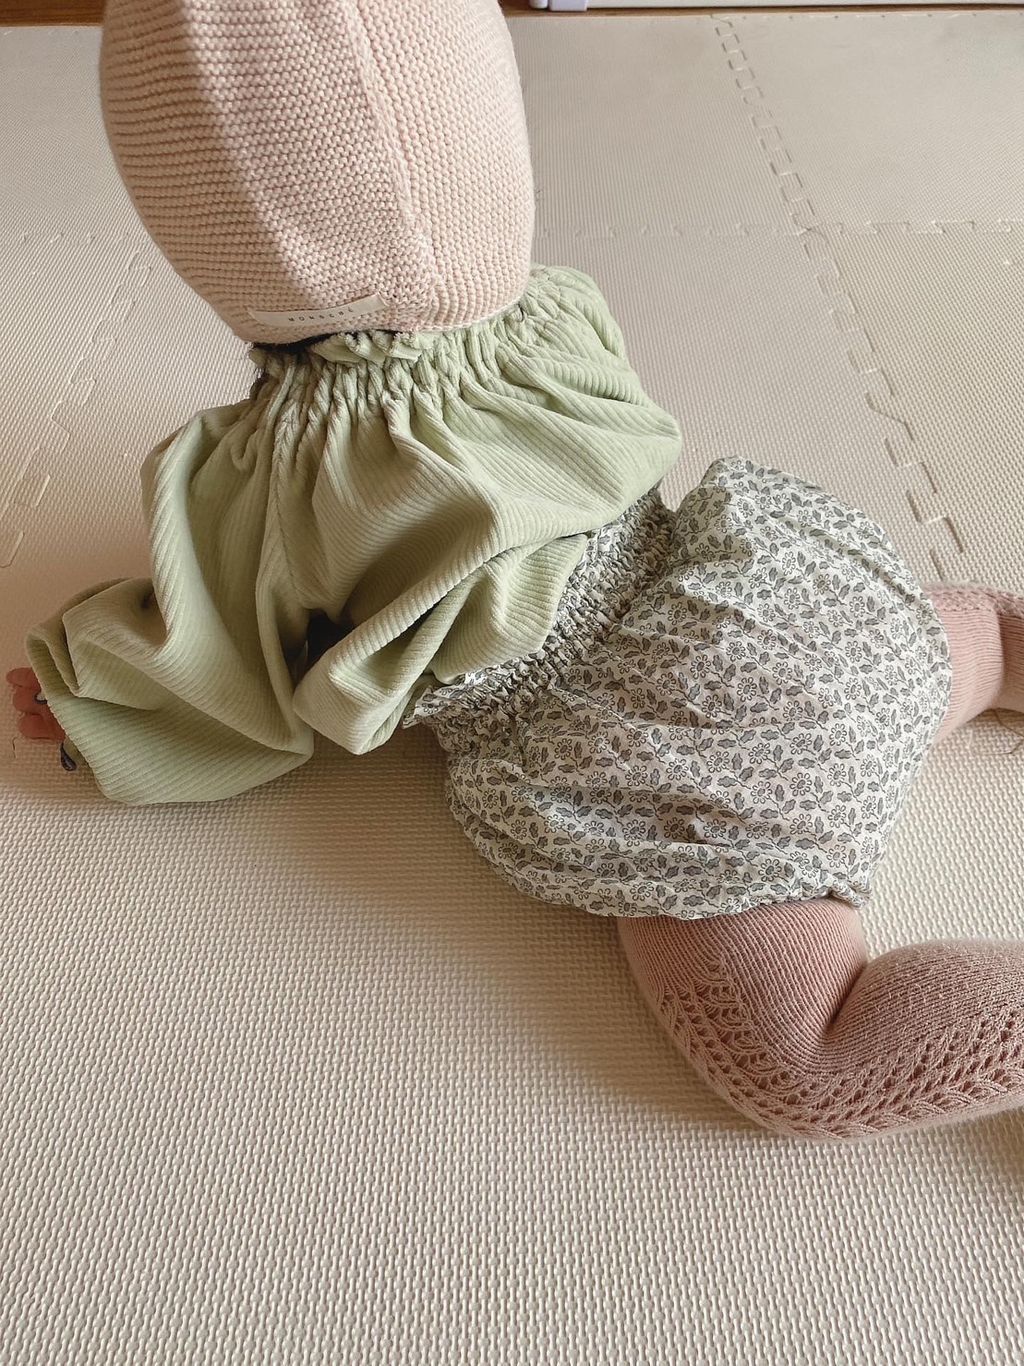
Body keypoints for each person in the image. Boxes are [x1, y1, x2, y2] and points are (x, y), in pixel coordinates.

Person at [10, 0, 1024, 1140]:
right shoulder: (550, 315)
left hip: (683, 760)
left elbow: (229, 662)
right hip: (804, 602)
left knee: (806, 1062)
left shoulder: (288, 476)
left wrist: (97, 697)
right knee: (986, 637)